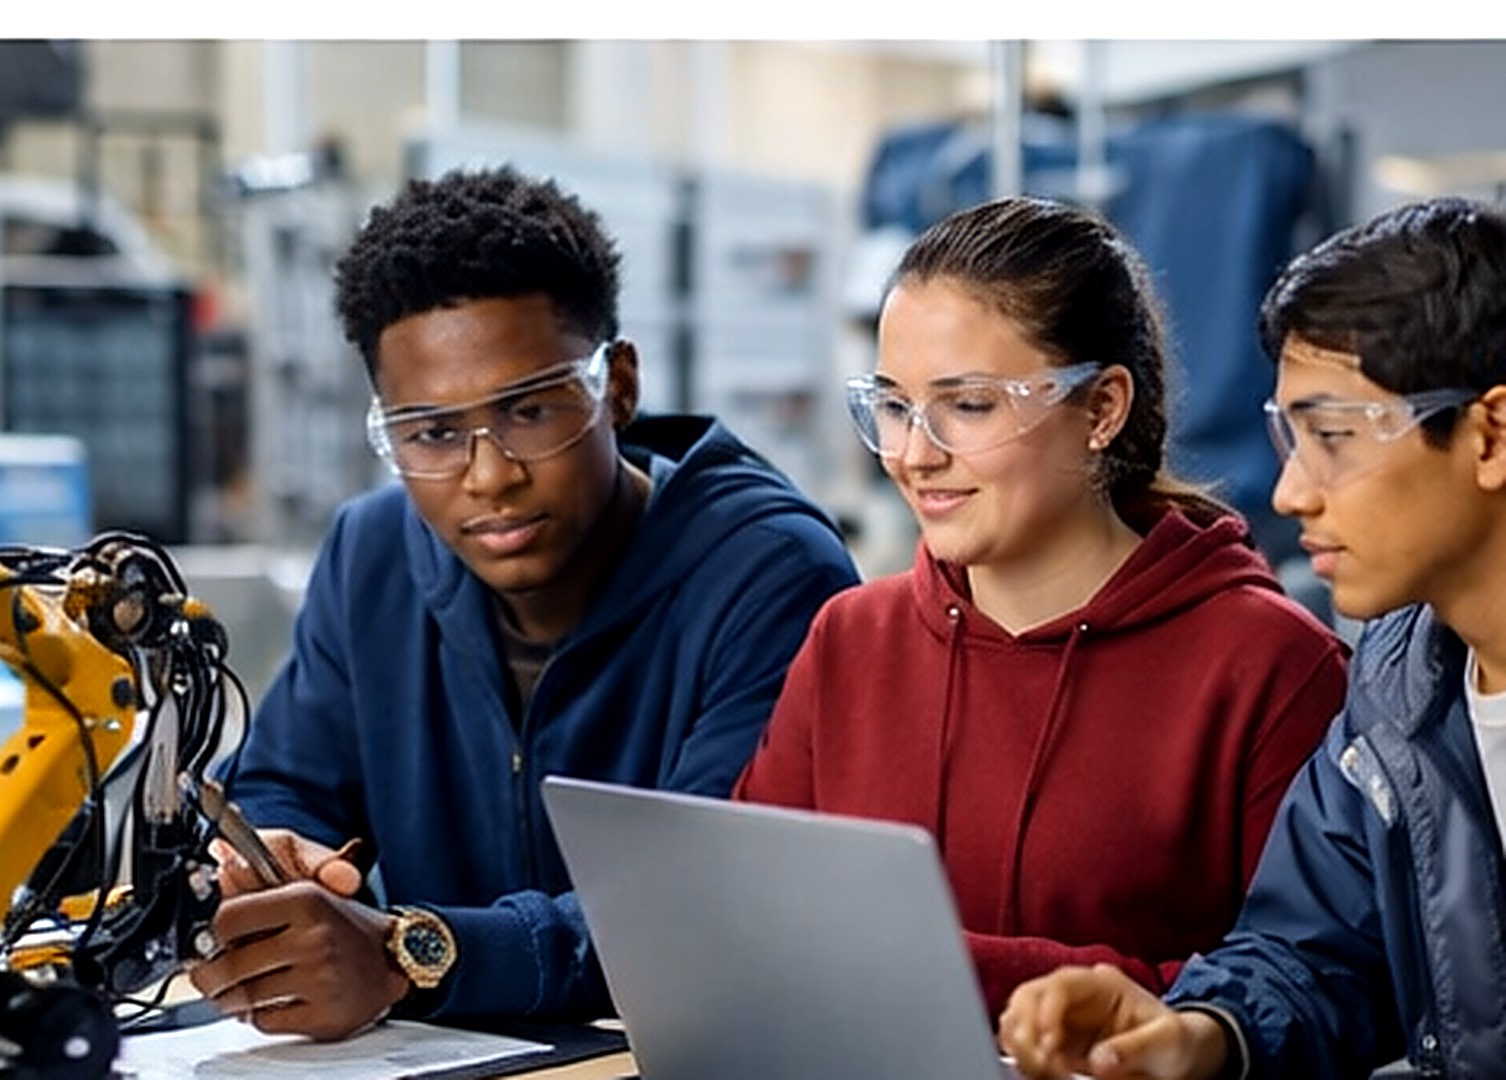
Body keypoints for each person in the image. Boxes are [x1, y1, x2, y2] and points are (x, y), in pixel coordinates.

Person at [187, 165, 860, 1040]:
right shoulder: (372, 555)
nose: (490, 476)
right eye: (432, 433)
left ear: (618, 386)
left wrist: (404, 956)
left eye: (531, 412)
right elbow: (285, 783)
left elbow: (699, 907)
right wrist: (277, 867)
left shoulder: (771, 575)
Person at [733, 195, 1348, 1017]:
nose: (914, 454)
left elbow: (1307, 991)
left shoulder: (1272, 665)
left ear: (1101, 408)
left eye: (968, 405)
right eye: (893, 406)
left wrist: (949, 971)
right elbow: (751, 916)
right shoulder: (849, 639)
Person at [1000, 197, 1506, 1080]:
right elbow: (1317, 954)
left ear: (1490, 436)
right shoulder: (1398, 688)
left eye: (1334, 438)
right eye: (1290, 440)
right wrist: (1197, 1032)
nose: (1290, 494)